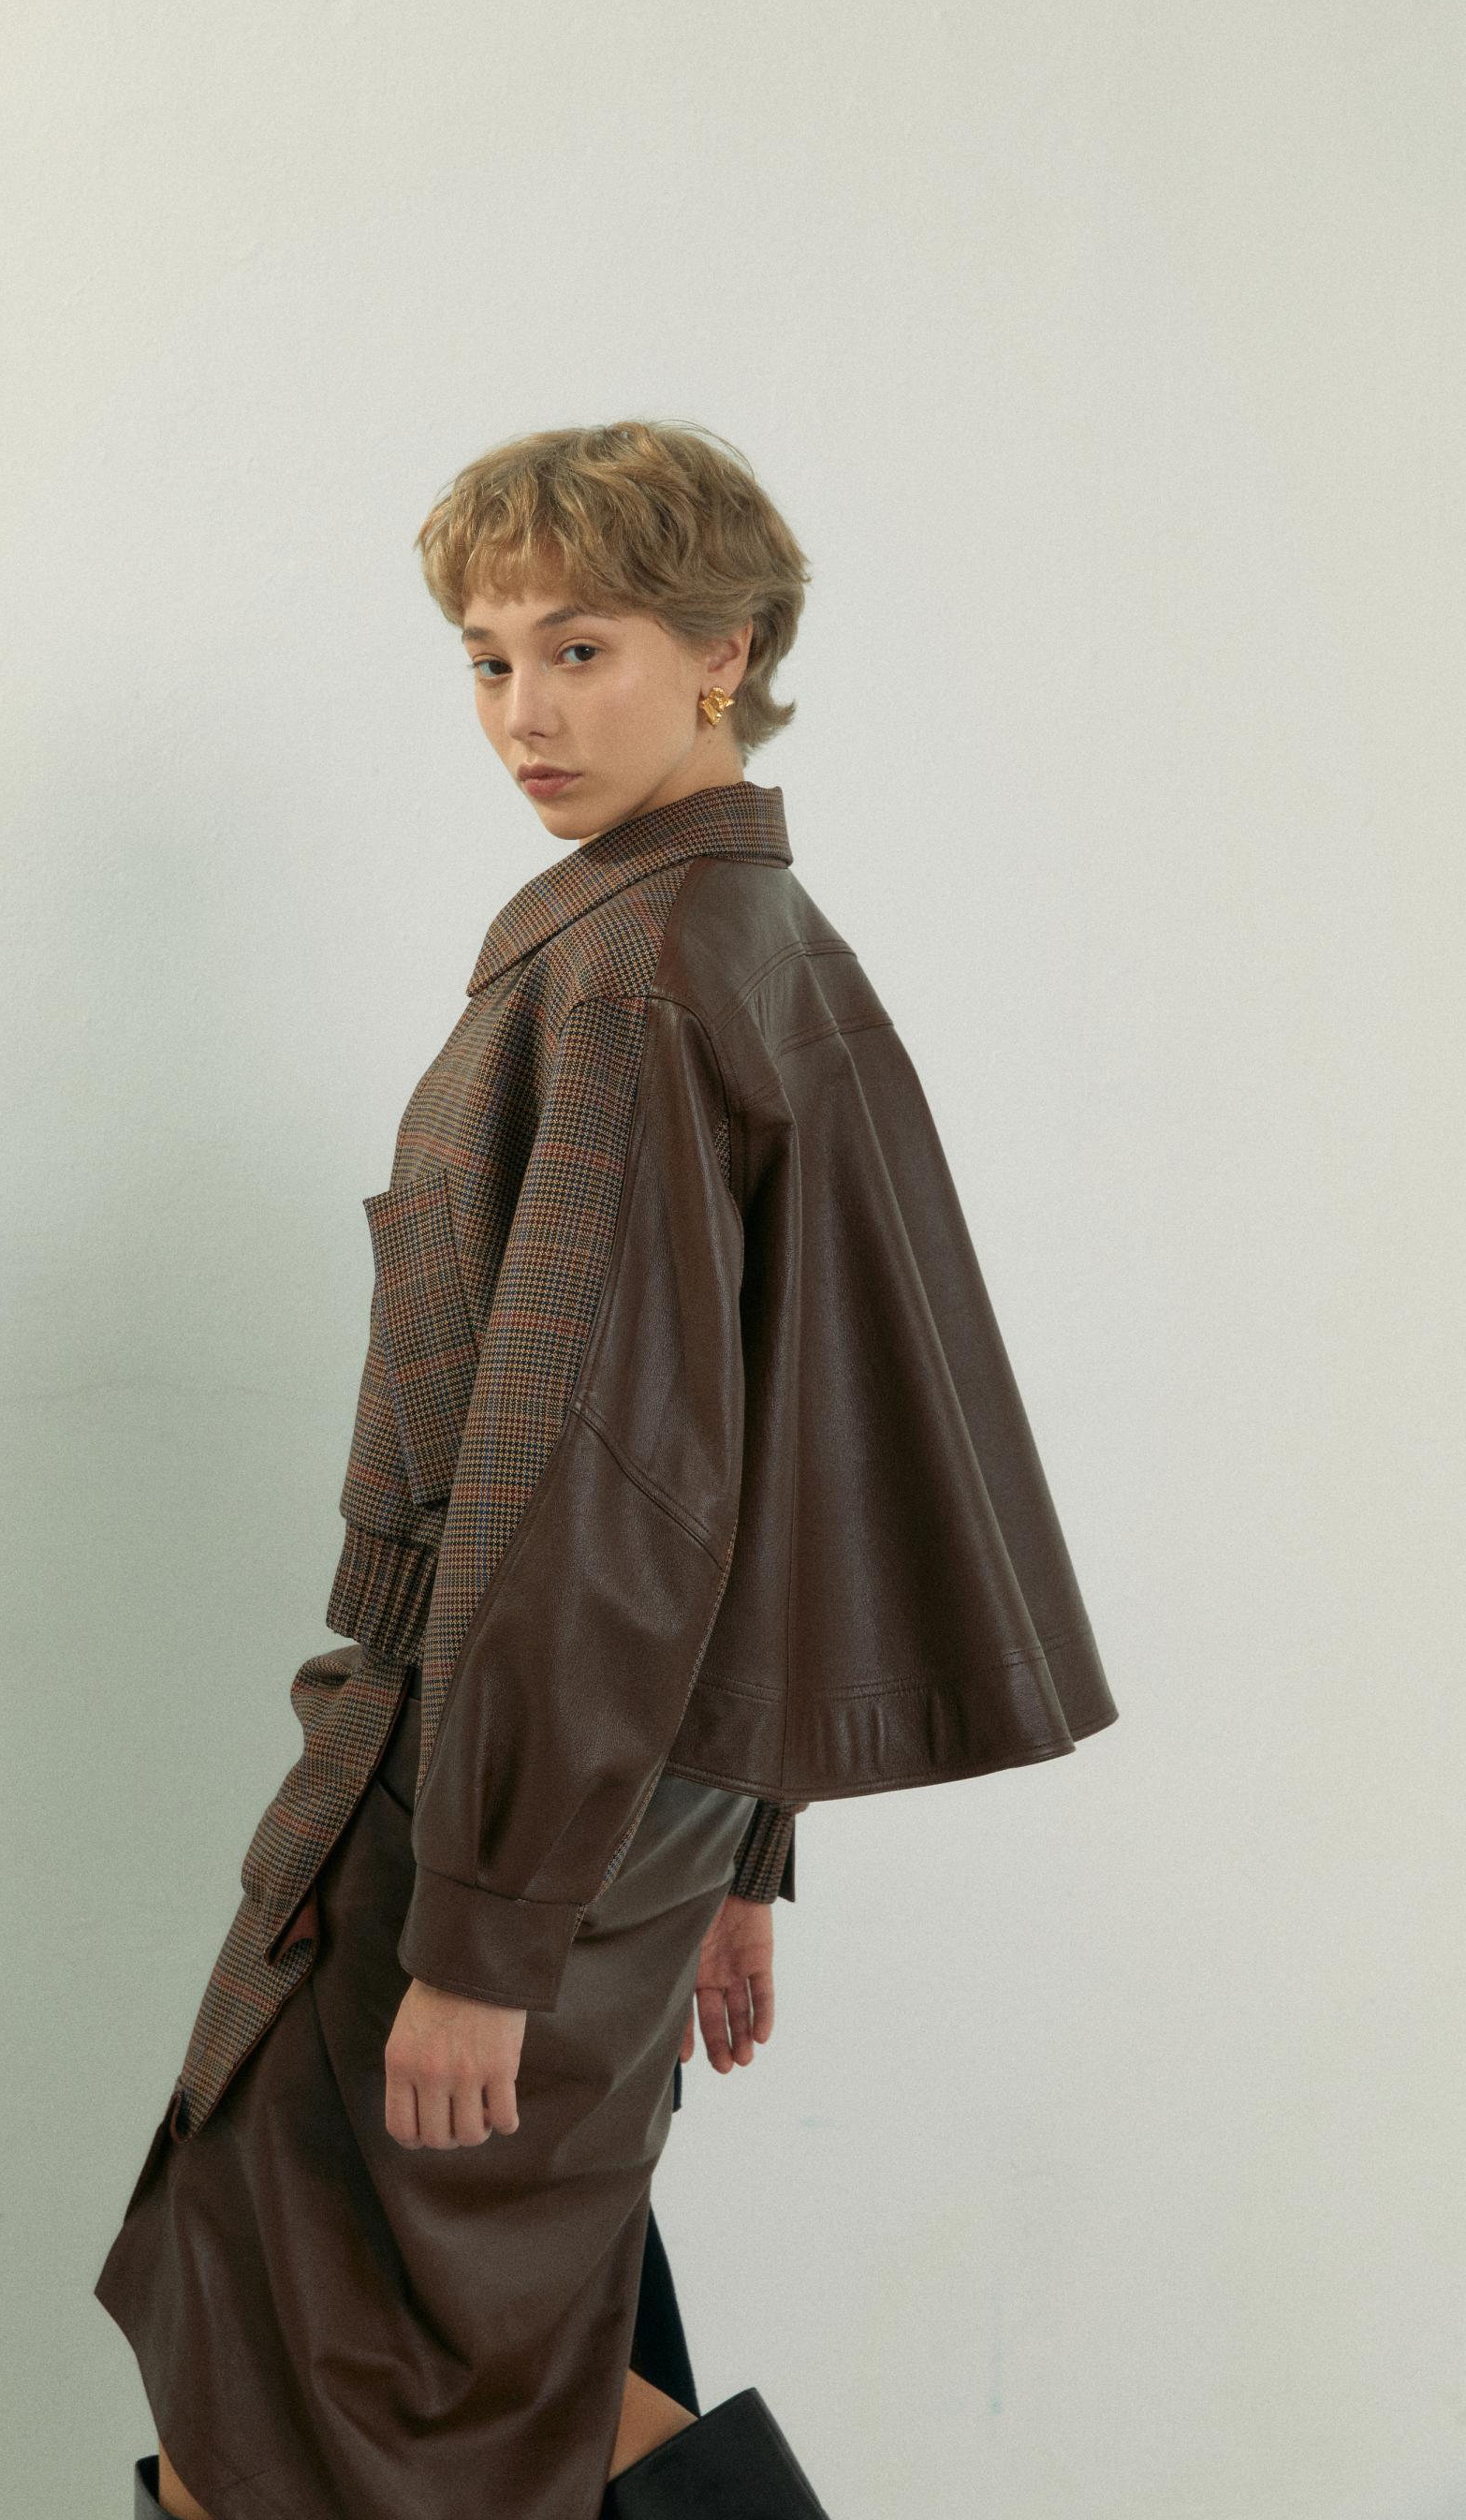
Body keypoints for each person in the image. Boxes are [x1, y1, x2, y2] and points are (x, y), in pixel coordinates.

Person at [95, 420, 1118, 2520]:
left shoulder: (636, 973)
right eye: (486, 659)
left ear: (726, 654)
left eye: (583, 650)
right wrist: (740, 1848)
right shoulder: (743, 936)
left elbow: (600, 1491)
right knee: (420, 2364)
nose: (523, 715)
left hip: (498, 1808)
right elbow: (770, 1450)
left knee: (336, 2403)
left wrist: (483, 1935)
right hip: (607, 1800)